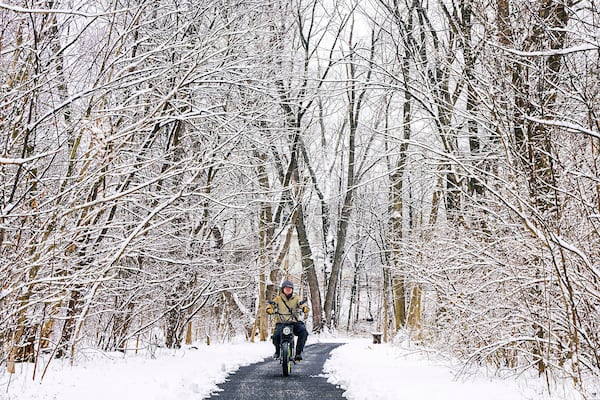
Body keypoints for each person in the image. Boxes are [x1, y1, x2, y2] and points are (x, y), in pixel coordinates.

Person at [266, 280, 309, 361]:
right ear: (283, 289)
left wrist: (304, 308)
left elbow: (301, 303)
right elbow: (271, 305)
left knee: (303, 332)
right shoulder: (278, 298)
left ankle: (298, 353)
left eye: (290, 288)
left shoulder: (296, 298)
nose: (288, 290)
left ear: (292, 289)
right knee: (275, 336)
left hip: (294, 322)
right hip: (281, 322)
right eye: (286, 288)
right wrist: (269, 309)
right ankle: (277, 351)